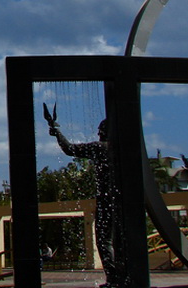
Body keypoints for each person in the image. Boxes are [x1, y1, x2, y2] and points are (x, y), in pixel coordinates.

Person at [46, 108, 128, 288]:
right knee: (123, 239)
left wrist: (57, 132)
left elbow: (69, 149)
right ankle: (125, 277)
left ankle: (114, 278)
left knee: (104, 239)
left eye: (100, 131)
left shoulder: (100, 148)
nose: (98, 134)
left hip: (106, 199)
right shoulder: (123, 150)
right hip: (124, 200)